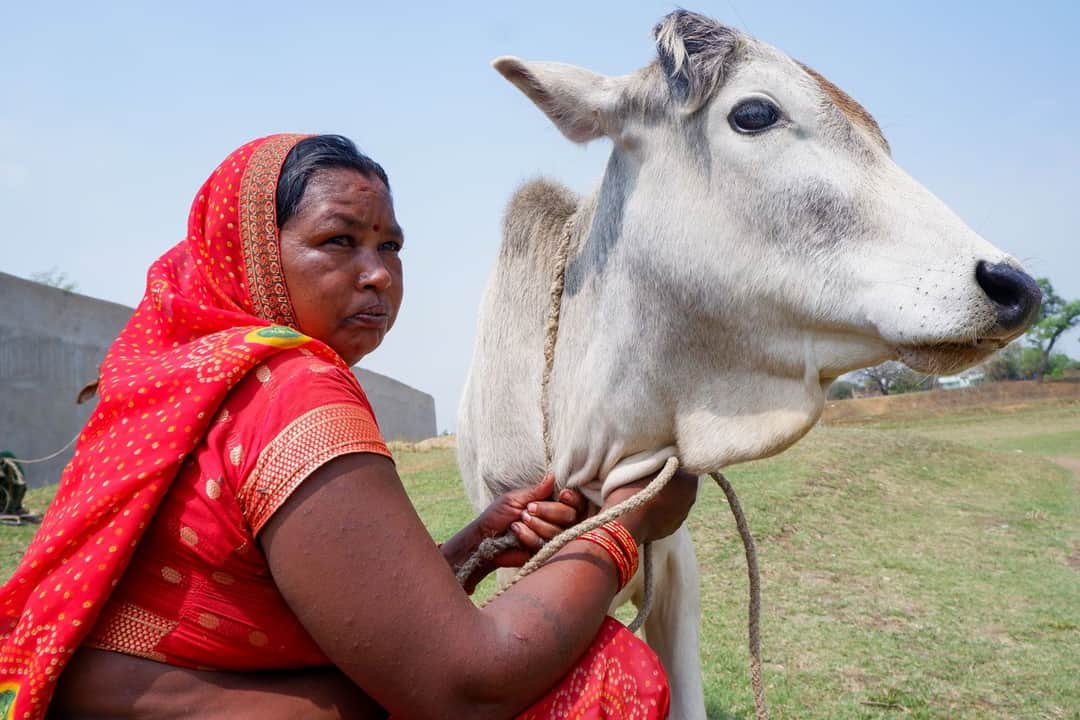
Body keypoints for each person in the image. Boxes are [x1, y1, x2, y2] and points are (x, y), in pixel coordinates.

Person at [0, 134, 698, 719]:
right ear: (253, 251)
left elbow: (322, 597)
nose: (379, 276)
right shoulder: (294, 390)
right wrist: (623, 528)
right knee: (600, 671)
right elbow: (465, 685)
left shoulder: (186, 376)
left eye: (390, 246)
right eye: (339, 241)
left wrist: (473, 548)